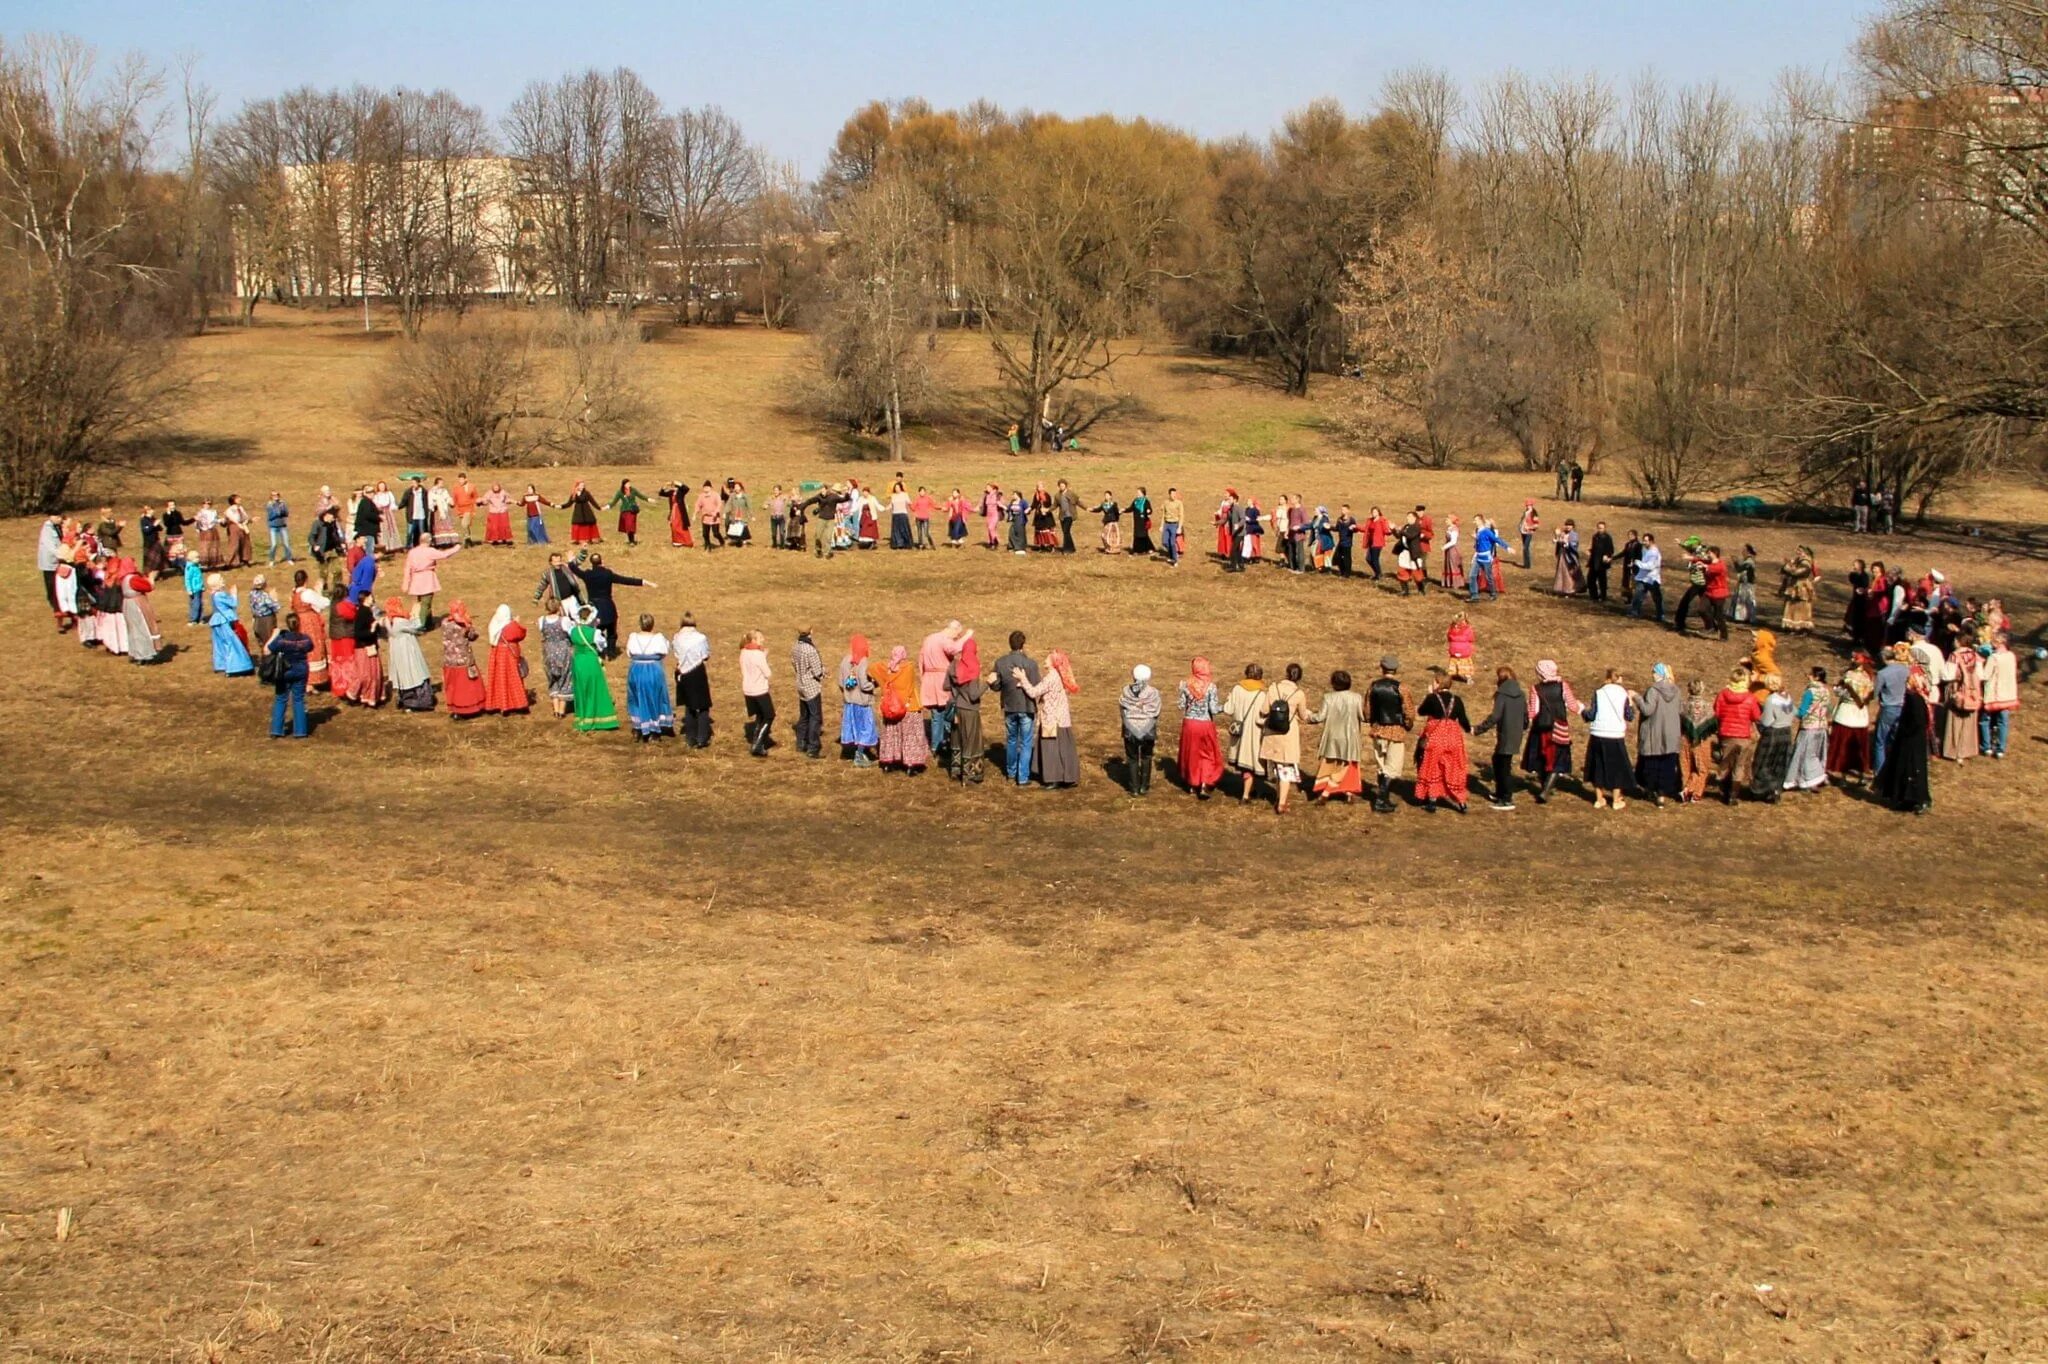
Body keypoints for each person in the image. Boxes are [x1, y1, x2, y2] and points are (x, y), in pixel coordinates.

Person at [1875, 662, 1934, 813]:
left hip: (1913, 742)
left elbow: (1918, 722)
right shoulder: (1911, 698)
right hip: (1907, 740)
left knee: (1914, 770)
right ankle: (1905, 798)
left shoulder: (1915, 700)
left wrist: (1906, 732)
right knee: (1903, 769)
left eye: (1907, 683)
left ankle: (1919, 800)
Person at [1411, 668, 1471, 813]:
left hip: (1436, 737)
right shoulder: (1457, 700)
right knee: (1454, 768)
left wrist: (1430, 694)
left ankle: (1432, 800)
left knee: (1433, 767)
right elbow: (1464, 721)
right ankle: (1461, 802)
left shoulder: (1432, 698)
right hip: (1453, 737)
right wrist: (1470, 730)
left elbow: (1421, 711)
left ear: (1438, 683)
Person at [570, 555, 653, 659]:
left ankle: (598, 652)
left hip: (594, 608)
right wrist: (642, 581)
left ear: (591, 563)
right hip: (608, 606)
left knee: (595, 631)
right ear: (601, 561)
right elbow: (624, 580)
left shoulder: (588, 575)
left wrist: (570, 561)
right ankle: (611, 653)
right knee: (612, 633)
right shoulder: (607, 574)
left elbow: (576, 571)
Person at [1300, 670, 1363, 803]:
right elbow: (1362, 716)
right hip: (1350, 736)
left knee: (1329, 764)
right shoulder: (1356, 697)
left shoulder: (1328, 697)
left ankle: (1327, 791)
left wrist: (1309, 716)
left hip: (1332, 736)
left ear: (1334, 684)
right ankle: (1347, 791)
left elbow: (1320, 717)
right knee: (1348, 764)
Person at [1581, 668, 1640, 810]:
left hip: (1598, 733)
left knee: (1598, 766)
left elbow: (1592, 714)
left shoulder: (1599, 692)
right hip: (1615, 734)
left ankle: (1599, 798)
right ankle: (1616, 799)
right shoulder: (1623, 693)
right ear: (1619, 679)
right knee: (1617, 768)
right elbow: (1629, 716)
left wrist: (1582, 710)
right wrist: (1631, 702)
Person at [1522, 660, 1578, 804]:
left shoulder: (1536, 688)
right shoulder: (1563, 686)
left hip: (1541, 729)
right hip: (1559, 727)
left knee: (1541, 758)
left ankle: (1544, 788)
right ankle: (1547, 789)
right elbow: (1573, 706)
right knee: (1558, 759)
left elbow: (1533, 712)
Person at [1472, 666, 1528, 810]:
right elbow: (1525, 715)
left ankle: (1506, 798)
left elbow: (1495, 716)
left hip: (1505, 734)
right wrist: (1523, 727)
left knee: (1503, 767)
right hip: (1516, 734)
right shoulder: (1521, 694)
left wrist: (1479, 729)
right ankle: (1500, 793)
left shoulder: (1502, 694)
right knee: (1498, 761)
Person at [1255, 662, 1307, 813]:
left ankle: (1279, 797)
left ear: (1286, 673)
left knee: (1276, 766)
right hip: (1288, 734)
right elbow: (1303, 716)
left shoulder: (1273, 688)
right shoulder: (1299, 694)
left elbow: (1264, 710)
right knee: (1285, 768)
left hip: (1272, 732)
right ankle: (1282, 803)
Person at [1367, 656, 1414, 813]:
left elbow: (1367, 710)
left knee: (1382, 767)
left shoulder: (1373, 686)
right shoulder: (1402, 688)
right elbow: (1409, 711)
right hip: (1395, 731)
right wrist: (1407, 725)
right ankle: (1381, 800)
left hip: (1378, 729)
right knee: (1392, 768)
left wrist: (1372, 722)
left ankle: (1383, 798)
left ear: (1382, 668)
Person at [1174, 657, 1226, 799]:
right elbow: (1214, 709)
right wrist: (1226, 707)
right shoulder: (1211, 687)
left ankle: (1191, 783)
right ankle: (1204, 783)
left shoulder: (1185, 685)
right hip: (1205, 724)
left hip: (1189, 724)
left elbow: (1180, 705)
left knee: (1191, 754)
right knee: (1207, 754)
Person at [993, 631, 1040, 786]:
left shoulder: (1000, 663)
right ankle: (1023, 776)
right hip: (1027, 707)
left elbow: (997, 685)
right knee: (1026, 742)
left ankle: (1011, 772)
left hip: (1009, 706)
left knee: (1012, 740)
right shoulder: (1031, 664)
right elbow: (1036, 686)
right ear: (1023, 645)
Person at [1711, 668, 1763, 804]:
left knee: (1726, 762)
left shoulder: (1722, 694)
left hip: (1726, 734)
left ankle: (1724, 790)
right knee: (1739, 765)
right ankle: (1733, 796)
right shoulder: (1750, 698)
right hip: (1743, 735)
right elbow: (1756, 716)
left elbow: (1717, 712)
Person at [1633, 663, 1682, 806]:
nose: (1652, 675)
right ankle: (1662, 794)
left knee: (1652, 764)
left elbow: (1647, 710)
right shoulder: (1677, 690)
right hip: (1671, 733)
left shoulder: (1653, 691)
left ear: (1659, 674)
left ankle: (1651, 789)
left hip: (1654, 734)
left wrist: (1636, 697)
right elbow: (1680, 709)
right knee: (1667, 765)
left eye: (1654, 672)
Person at [1222, 663, 1270, 803]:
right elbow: (1262, 718)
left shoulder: (1237, 688)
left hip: (1239, 731)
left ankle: (1250, 789)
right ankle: (1245, 795)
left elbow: (1228, 709)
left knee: (1243, 761)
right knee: (1249, 762)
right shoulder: (1262, 693)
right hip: (1254, 733)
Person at [565, 606, 618, 733]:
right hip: (590, 662)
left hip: (578, 662)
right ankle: (597, 717)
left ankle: (583, 717)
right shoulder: (595, 633)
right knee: (595, 688)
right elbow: (602, 646)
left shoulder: (573, 631)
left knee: (581, 688)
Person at [1826, 654, 1877, 783]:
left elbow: (1840, 692)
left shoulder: (1848, 675)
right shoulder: (1869, 676)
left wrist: (1836, 688)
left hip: (1846, 712)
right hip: (1861, 713)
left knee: (1841, 743)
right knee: (1859, 745)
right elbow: (1870, 695)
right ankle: (1860, 770)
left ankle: (1838, 768)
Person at [623, 621, 676, 740]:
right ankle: (654, 730)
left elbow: (629, 653)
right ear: (652, 625)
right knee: (655, 697)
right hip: (653, 669)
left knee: (636, 698)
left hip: (636, 670)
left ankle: (638, 728)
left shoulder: (633, 638)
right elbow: (665, 651)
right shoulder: (658, 638)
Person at [263, 613, 313, 737]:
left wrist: (274, 635)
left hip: (284, 671)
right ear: (298, 624)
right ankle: (300, 731)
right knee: (298, 699)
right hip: (301, 670)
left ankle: (276, 730)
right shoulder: (305, 639)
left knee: (281, 699)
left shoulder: (282, 639)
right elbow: (310, 647)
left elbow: (267, 650)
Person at [945, 634, 986, 783]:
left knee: (957, 740)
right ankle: (969, 775)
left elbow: (946, 686)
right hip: (970, 710)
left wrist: (956, 693)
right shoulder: (973, 667)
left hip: (957, 709)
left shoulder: (954, 665)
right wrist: (987, 683)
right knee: (971, 742)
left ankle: (956, 770)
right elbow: (974, 695)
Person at [384, 596, 435, 712]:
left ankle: (404, 700)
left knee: (403, 676)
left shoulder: (388, 620)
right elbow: (417, 626)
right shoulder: (400, 622)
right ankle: (418, 702)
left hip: (397, 653)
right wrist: (418, 614)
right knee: (414, 673)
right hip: (407, 651)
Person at [1117, 665, 1161, 795]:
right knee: (1147, 757)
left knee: (1132, 758)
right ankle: (1144, 787)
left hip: (1130, 730)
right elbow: (1156, 712)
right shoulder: (1153, 693)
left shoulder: (1126, 691)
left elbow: (1122, 708)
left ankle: (1134, 788)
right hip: (1148, 730)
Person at [439, 602, 486, 719]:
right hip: (463, 660)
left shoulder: (445, 623)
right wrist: (469, 625)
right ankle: (469, 709)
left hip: (449, 660)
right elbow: (473, 636)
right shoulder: (463, 625)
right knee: (466, 687)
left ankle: (455, 710)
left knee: (453, 686)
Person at [672, 614, 713, 748]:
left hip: (683, 672)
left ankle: (690, 738)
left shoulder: (677, 638)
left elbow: (676, 654)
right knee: (703, 706)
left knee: (689, 706)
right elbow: (706, 655)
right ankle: (702, 738)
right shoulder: (700, 638)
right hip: (697, 672)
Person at [840, 634, 880, 766]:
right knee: (866, 728)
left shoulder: (846, 660)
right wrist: (874, 684)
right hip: (862, 702)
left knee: (854, 728)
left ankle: (858, 751)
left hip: (849, 702)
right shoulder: (863, 661)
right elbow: (863, 684)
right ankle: (860, 754)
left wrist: (847, 692)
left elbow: (841, 682)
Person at [483, 606, 530, 716]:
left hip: (497, 653)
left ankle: (499, 704)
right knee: (513, 678)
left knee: (499, 678)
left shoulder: (493, 624)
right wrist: (517, 623)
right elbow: (521, 634)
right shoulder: (511, 626)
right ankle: (517, 704)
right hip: (509, 655)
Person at [1872, 645, 1911, 776]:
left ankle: (1880, 771)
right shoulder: (1905, 670)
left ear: (1883, 658)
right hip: (1903, 706)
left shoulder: (1882, 673)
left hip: (1889, 707)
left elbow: (1875, 693)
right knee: (1896, 739)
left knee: (1880, 741)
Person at [402, 539, 460, 625]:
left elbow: (407, 568)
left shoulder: (412, 552)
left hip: (416, 579)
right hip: (427, 579)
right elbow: (444, 555)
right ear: (429, 541)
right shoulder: (430, 551)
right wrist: (456, 548)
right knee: (425, 603)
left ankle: (428, 623)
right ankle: (421, 624)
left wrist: (406, 582)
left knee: (422, 602)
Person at [736, 630, 775, 756]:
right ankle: (758, 743)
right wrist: (763, 656)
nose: (763, 640)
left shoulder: (743, 652)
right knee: (769, 716)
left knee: (759, 716)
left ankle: (755, 741)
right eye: (760, 638)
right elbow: (768, 673)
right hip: (760, 691)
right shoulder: (758, 655)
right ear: (753, 640)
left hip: (748, 690)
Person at [1980, 633, 2018, 759]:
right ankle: (2000, 748)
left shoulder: (1994, 658)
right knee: (2003, 722)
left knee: (1985, 720)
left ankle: (1987, 746)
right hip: (2008, 695)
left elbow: (1985, 676)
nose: (1992, 642)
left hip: (1994, 695)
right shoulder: (2011, 656)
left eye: (1995, 640)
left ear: (2001, 643)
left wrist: (1980, 664)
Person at [207, 575, 254, 677]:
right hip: (225, 621)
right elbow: (233, 603)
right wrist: (234, 594)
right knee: (232, 643)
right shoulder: (220, 595)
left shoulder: (213, 594)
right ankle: (236, 668)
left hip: (216, 621)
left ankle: (221, 665)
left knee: (220, 645)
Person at [537, 603, 575, 718]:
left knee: (553, 678)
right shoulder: (564, 621)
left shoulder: (541, 620)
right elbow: (571, 633)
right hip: (563, 651)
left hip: (548, 652)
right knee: (565, 677)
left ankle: (556, 709)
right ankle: (562, 710)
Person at [120, 569, 163, 665]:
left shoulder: (124, 579)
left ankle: (136, 653)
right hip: (137, 604)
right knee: (143, 627)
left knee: (133, 630)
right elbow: (148, 587)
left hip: (128, 604)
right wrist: (151, 578)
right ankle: (145, 654)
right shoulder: (133, 579)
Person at [1627, 533, 1665, 622]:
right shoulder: (1646, 550)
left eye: (1646, 541)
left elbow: (1649, 566)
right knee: (1637, 596)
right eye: (1643, 540)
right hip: (1642, 578)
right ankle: (1634, 612)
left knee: (1657, 598)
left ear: (1651, 541)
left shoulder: (1654, 553)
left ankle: (1660, 615)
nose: (1644, 542)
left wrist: (1637, 563)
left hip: (1652, 579)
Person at [1780, 547, 1817, 633]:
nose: (1798, 552)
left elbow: (1797, 572)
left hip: (1802, 587)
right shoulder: (1797, 560)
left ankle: (1801, 627)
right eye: (1797, 550)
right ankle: (1792, 625)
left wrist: (1787, 567)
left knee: (1801, 606)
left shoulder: (1806, 562)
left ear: (1805, 553)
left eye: (1800, 551)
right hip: (1794, 585)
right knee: (1792, 605)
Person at [248, 574, 280, 651]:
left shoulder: (251, 594)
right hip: (267, 621)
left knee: (261, 643)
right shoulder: (264, 596)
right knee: (269, 642)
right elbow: (276, 608)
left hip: (257, 620)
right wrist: (274, 598)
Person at [563, 481, 600, 546]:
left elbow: (592, 501)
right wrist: (561, 506)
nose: (582, 487)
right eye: (581, 485)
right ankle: (577, 539)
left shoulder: (586, 493)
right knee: (577, 524)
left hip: (586, 511)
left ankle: (589, 539)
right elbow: (569, 503)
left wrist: (599, 508)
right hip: (578, 511)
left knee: (588, 524)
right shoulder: (574, 494)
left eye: (583, 485)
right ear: (577, 486)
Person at [1585, 522, 1614, 602]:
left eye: (1601, 528)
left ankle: (1603, 596)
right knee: (1590, 579)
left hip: (1602, 563)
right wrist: (1589, 551)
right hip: (1594, 561)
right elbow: (1594, 548)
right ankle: (1594, 596)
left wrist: (1607, 555)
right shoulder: (1595, 536)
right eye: (1599, 528)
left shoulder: (1607, 538)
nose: (1600, 529)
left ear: (1605, 528)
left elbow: (1611, 549)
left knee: (1602, 581)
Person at [1445, 612, 1476, 683]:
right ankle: (1468, 678)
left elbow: (1449, 638)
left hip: (1453, 651)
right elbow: (1471, 639)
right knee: (1465, 665)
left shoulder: (1451, 629)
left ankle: (1452, 675)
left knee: (1453, 663)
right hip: (1464, 652)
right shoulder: (1468, 629)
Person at [264, 491, 293, 564]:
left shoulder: (282, 503)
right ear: (271, 496)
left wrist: (282, 511)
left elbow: (286, 513)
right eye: (273, 495)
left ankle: (289, 558)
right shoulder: (269, 505)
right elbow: (270, 516)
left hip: (282, 526)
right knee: (274, 544)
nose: (275, 496)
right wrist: (277, 513)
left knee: (286, 543)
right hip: (273, 527)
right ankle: (272, 560)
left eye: (277, 495)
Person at [1364, 506, 1391, 580]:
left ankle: (1378, 575)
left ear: (1379, 512)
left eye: (1375, 512)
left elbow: (1386, 531)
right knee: (1368, 559)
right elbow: (1365, 528)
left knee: (1375, 559)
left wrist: (1391, 530)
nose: (1373, 513)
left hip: (1378, 543)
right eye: (1372, 512)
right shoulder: (1370, 520)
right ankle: (1377, 573)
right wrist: (1356, 527)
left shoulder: (1382, 520)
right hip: (1371, 542)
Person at [1518, 501, 1540, 570]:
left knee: (1526, 548)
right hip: (1523, 532)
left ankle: (1528, 564)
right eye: (1527, 506)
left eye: (1529, 505)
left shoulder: (1534, 514)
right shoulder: (1525, 512)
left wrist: (1529, 527)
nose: (1527, 507)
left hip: (1529, 532)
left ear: (1532, 506)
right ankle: (1525, 564)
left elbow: (1537, 525)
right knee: (1525, 548)